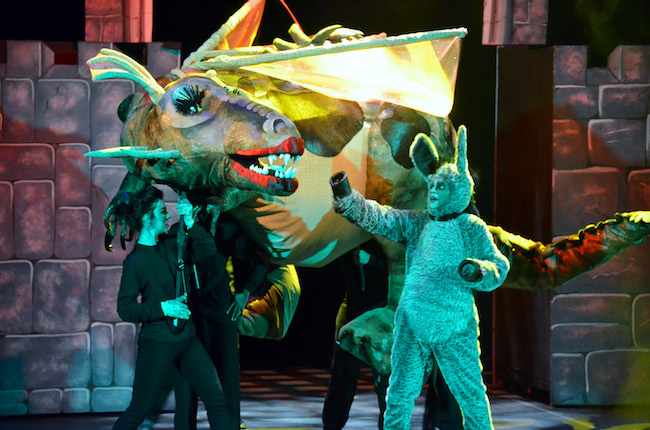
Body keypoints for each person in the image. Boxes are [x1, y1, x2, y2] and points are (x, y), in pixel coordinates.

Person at [331, 126, 510, 429]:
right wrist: (348, 199)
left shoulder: (470, 227)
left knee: (470, 395)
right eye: (433, 185)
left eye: (442, 186)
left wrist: (479, 271)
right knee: (399, 395)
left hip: (453, 323)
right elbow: (382, 218)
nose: (434, 191)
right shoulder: (418, 222)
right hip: (413, 320)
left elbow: (498, 265)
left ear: (458, 190)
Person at [112, 186, 235, 430]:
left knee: (216, 400)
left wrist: (189, 222)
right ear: (147, 218)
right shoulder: (136, 262)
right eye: (161, 211)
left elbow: (208, 251)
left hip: (187, 339)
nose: (168, 215)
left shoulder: (172, 244)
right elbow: (125, 308)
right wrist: (163, 308)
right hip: (157, 342)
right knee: (138, 410)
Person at [322, 239, 389, 430]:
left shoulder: (391, 227)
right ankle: (332, 425)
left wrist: (372, 261)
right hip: (354, 306)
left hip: (382, 309)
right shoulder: (350, 231)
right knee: (343, 373)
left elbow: (403, 265)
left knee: (385, 377)